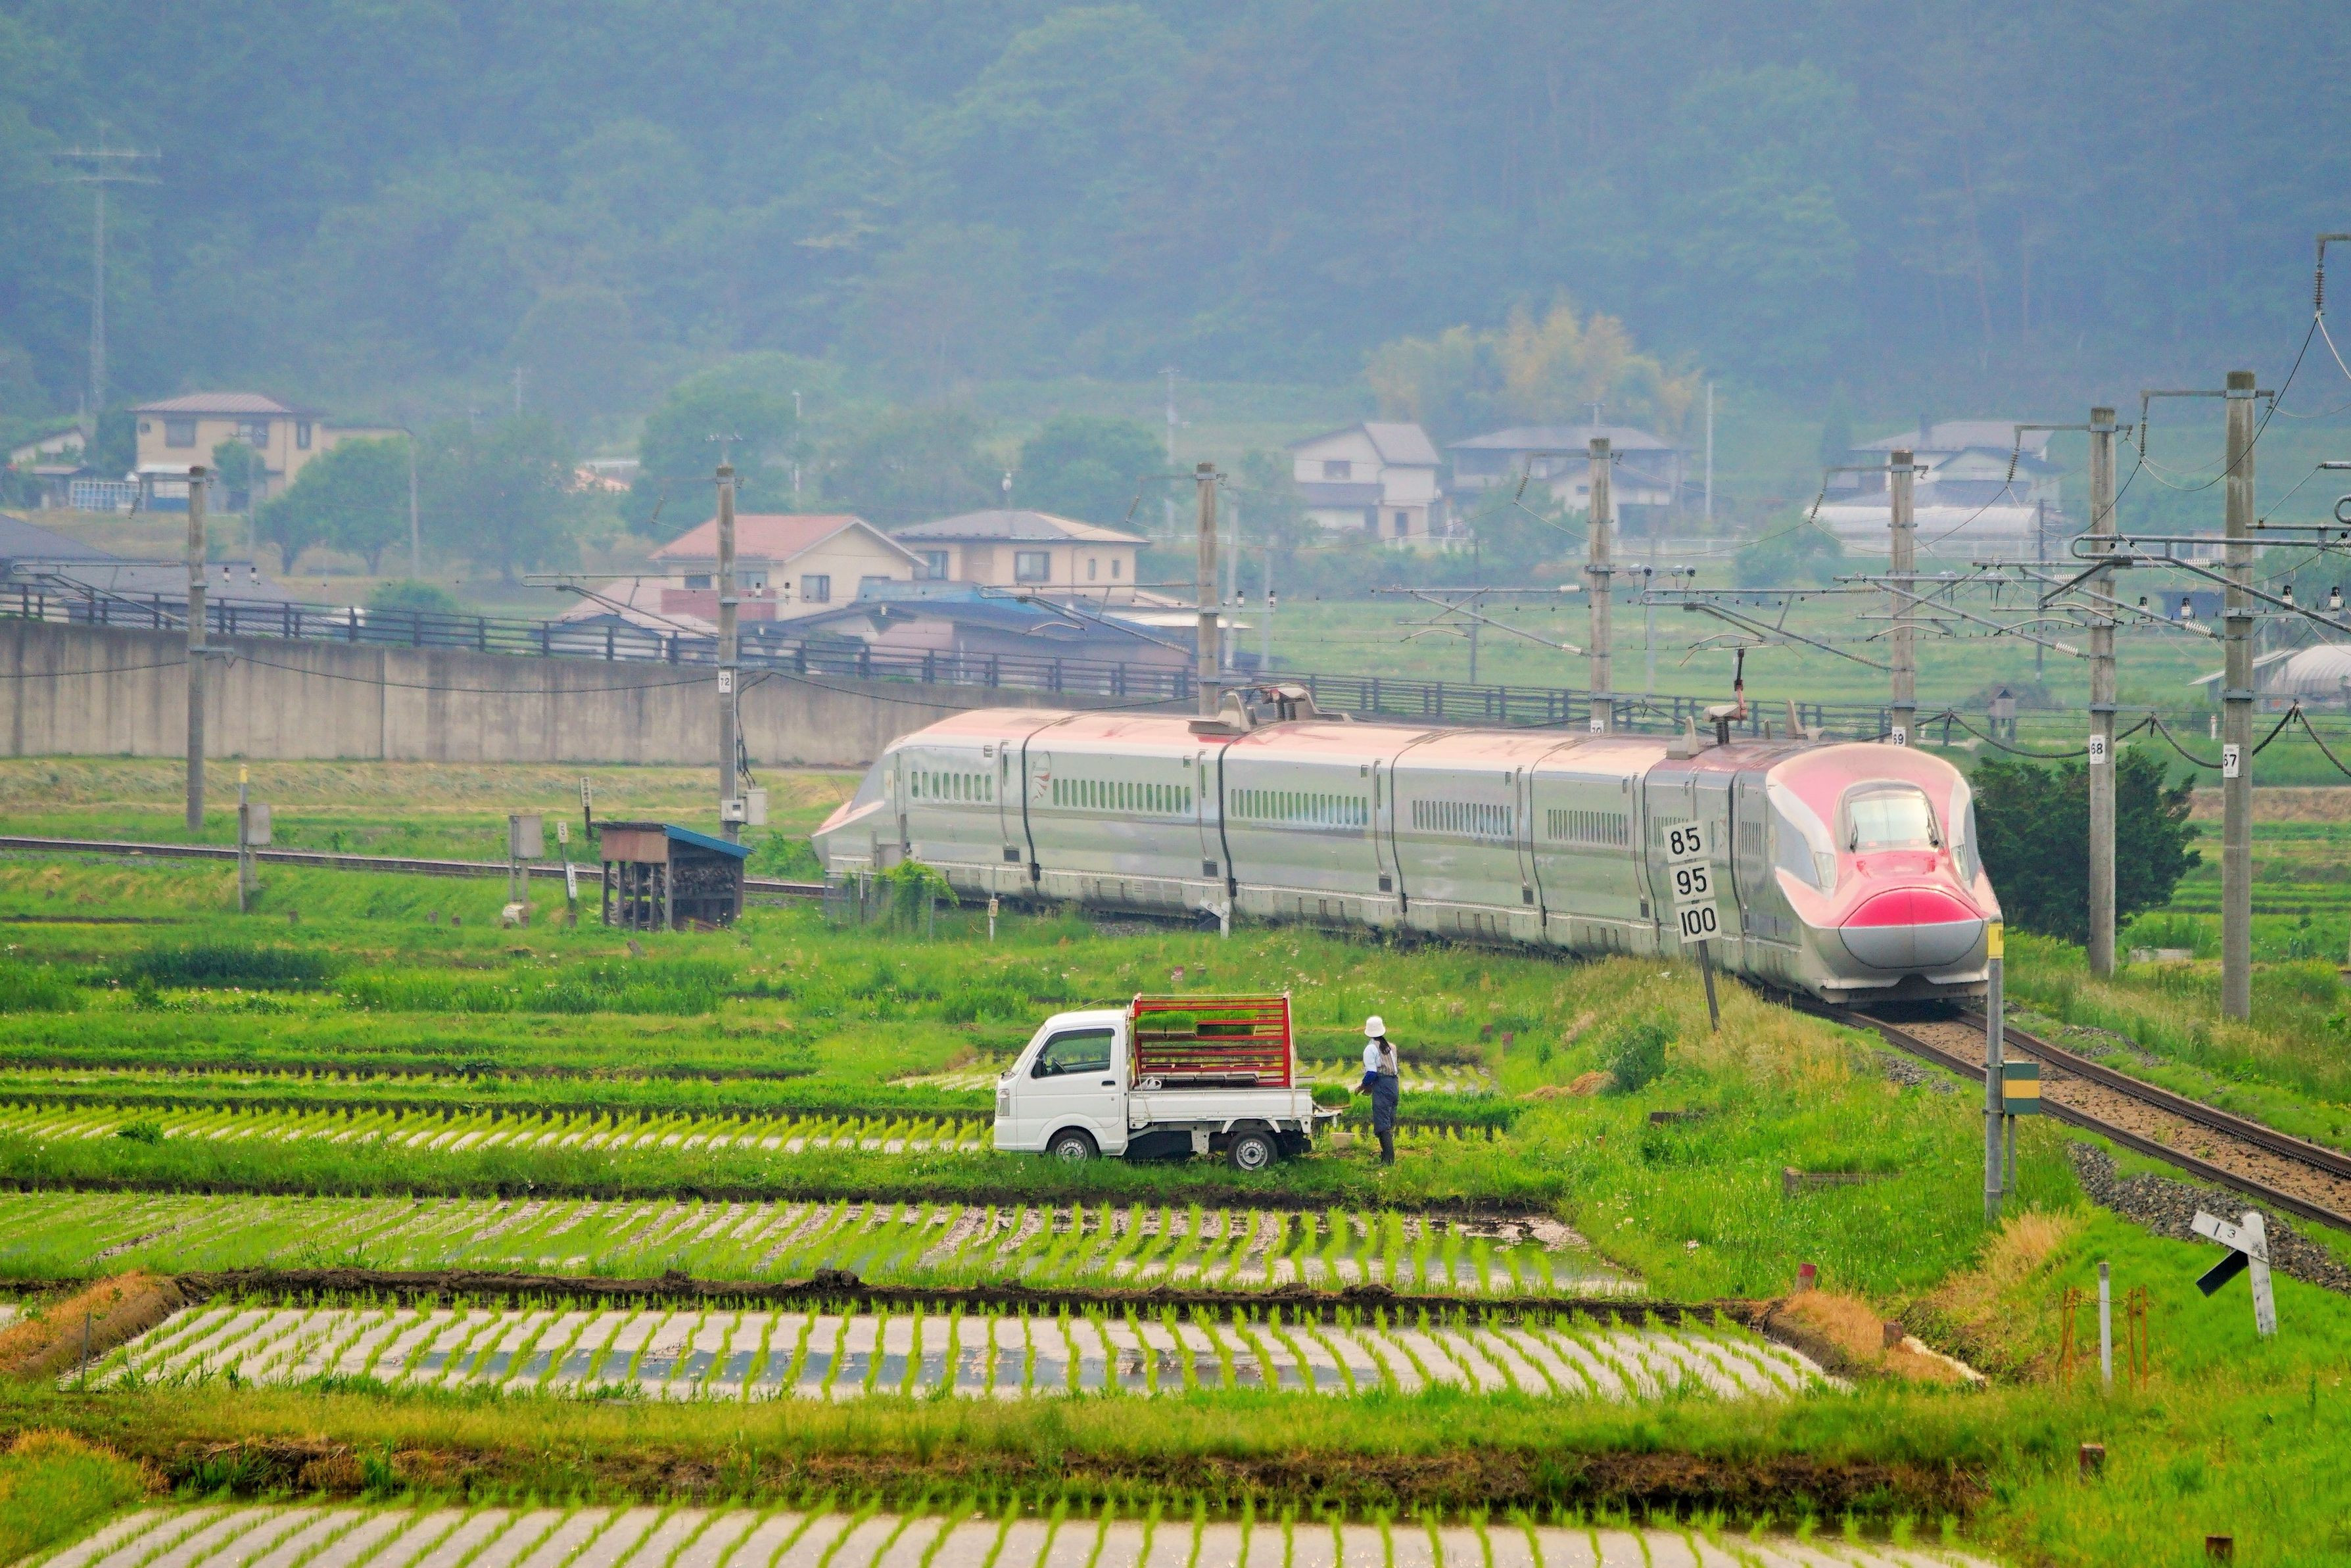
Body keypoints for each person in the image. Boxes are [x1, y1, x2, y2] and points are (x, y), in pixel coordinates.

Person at [1358, 1014, 1400, 1166]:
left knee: (1382, 1123)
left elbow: (1372, 1073)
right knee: (1388, 1121)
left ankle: (1388, 1160)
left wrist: (1363, 1086)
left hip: (1382, 1085)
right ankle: (1386, 1157)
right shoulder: (1391, 1047)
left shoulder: (1371, 1048)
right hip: (1394, 1085)